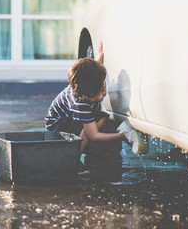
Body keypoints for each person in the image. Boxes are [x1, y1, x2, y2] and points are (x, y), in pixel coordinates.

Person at [45, 41, 130, 173]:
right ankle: (73, 159)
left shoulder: (92, 82)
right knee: (94, 129)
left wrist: (98, 63)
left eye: (103, 90)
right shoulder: (80, 104)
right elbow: (95, 135)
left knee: (102, 120)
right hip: (58, 126)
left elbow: (95, 73)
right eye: (95, 96)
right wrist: (122, 136)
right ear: (84, 95)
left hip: (71, 118)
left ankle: (92, 149)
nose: (100, 97)